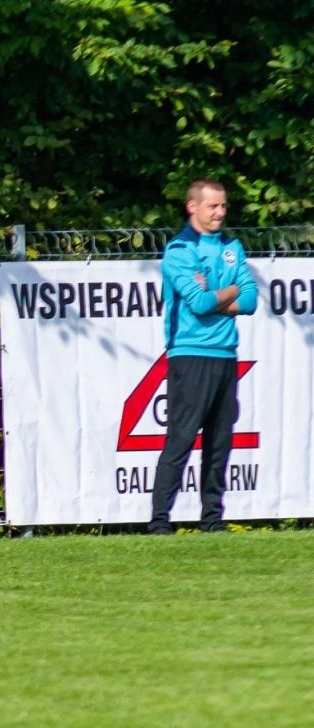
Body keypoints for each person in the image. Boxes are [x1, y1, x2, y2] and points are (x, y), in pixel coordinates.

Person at [149, 179, 258, 534]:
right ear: (192, 207)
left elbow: (251, 301)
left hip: (226, 354)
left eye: (223, 206)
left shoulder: (232, 246)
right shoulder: (180, 250)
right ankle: (159, 522)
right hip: (190, 354)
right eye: (213, 206)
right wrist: (232, 289)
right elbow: (198, 303)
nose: (220, 213)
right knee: (181, 438)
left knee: (219, 441)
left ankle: (212, 519)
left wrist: (217, 296)